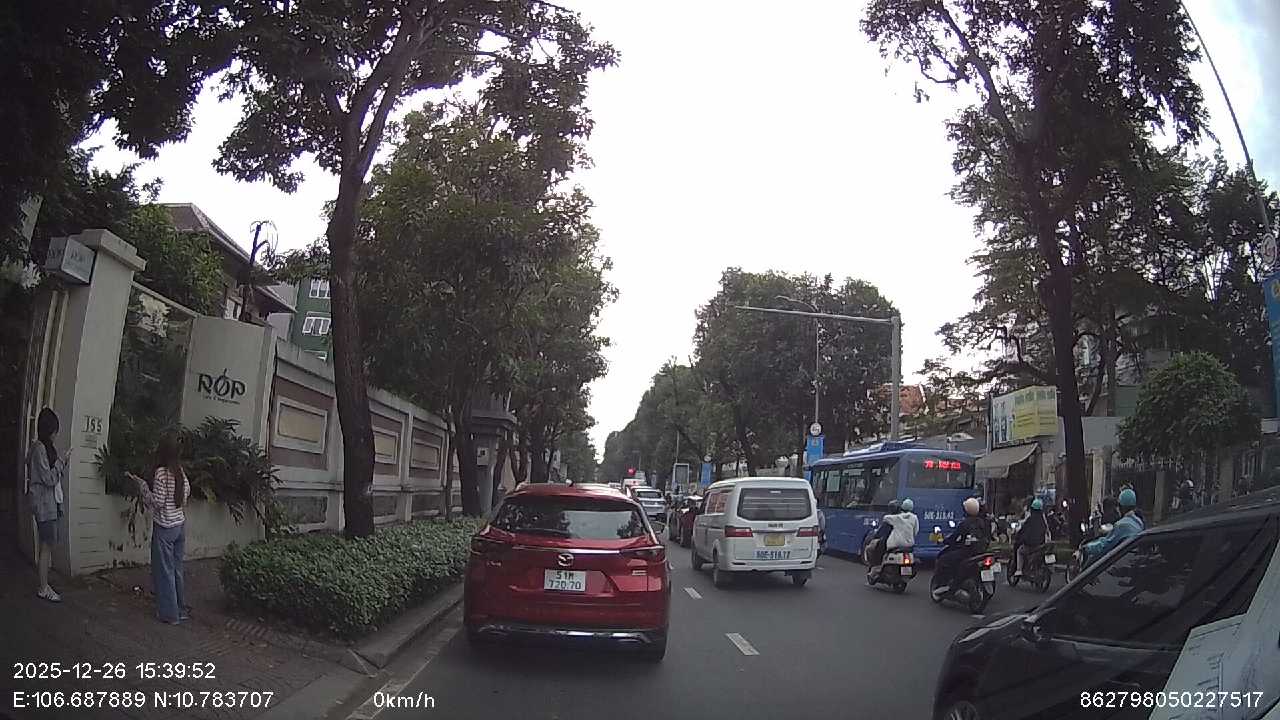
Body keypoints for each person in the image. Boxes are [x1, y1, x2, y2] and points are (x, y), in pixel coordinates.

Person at [126, 433, 191, 625]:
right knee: (177, 569)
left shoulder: (162, 473)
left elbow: (158, 503)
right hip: (179, 525)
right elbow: (185, 495)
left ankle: (169, 614)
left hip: (165, 528)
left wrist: (142, 487)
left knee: (165, 571)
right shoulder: (180, 471)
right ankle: (180, 609)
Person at [26, 408, 71, 602]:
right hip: (44, 505)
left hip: (49, 504)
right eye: (54, 430)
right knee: (46, 546)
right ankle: (43, 587)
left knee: (47, 545)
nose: (55, 435)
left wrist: (60, 462)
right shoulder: (39, 449)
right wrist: (62, 461)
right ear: (48, 429)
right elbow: (48, 478)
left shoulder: (44, 448)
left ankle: (44, 584)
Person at [932, 497, 989, 595]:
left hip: (967, 552)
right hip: (981, 551)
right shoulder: (982, 522)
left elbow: (954, 538)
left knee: (943, 560)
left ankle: (946, 585)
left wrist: (944, 541)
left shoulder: (965, 523)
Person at [1083, 488, 1143, 566]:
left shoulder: (1122, 525)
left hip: (1121, 562)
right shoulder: (1138, 521)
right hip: (1131, 559)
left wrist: (1087, 548)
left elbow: (1106, 544)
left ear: (1120, 506)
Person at [1012, 498, 1049, 578]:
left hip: (1031, 545)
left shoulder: (1030, 519)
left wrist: (1019, 537)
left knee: (1019, 551)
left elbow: (1023, 531)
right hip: (1041, 545)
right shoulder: (1042, 519)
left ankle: (1019, 570)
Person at [865, 499, 902, 566]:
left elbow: (880, 533)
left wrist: (874, 537)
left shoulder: (889, 519)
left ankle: (877, 565)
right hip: (904, 544)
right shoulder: (905, 519)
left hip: (889, 543)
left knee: (873, 548)